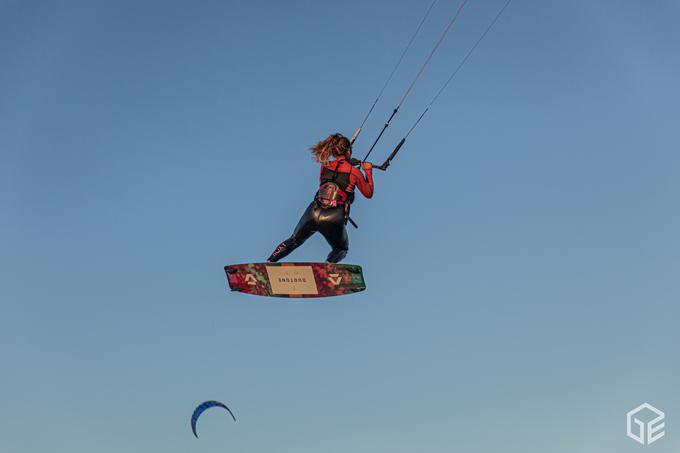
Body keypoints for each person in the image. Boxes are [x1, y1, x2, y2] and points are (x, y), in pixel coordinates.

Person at [267, 133, 374, 263]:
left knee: (294, 240)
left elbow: (337, 168)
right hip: (333, 217)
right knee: (341, 248)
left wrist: (347, 160)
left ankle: (270, 261)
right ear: (348, 151)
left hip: (313, 212)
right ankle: (327, 266)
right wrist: (368, 171)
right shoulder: (354, 172)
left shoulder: (324, 166)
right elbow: (368, 193)